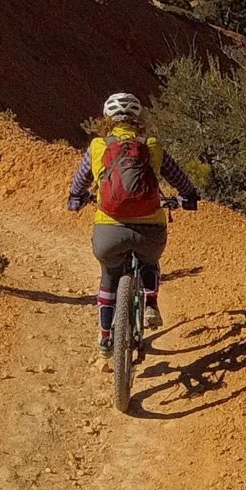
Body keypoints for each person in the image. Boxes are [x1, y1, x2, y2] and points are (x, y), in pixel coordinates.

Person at [67, 92, 199, 360]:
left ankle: (105, 339)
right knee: (150, 261)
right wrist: (187, 198)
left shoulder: (97, 147)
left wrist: (76, 200)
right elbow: (179, 178)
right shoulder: (152, 145)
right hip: (149, 228)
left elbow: (79, 182)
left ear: (108, 119)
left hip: (109, 229)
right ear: (138, 119)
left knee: (109, 276)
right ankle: (150, 303)